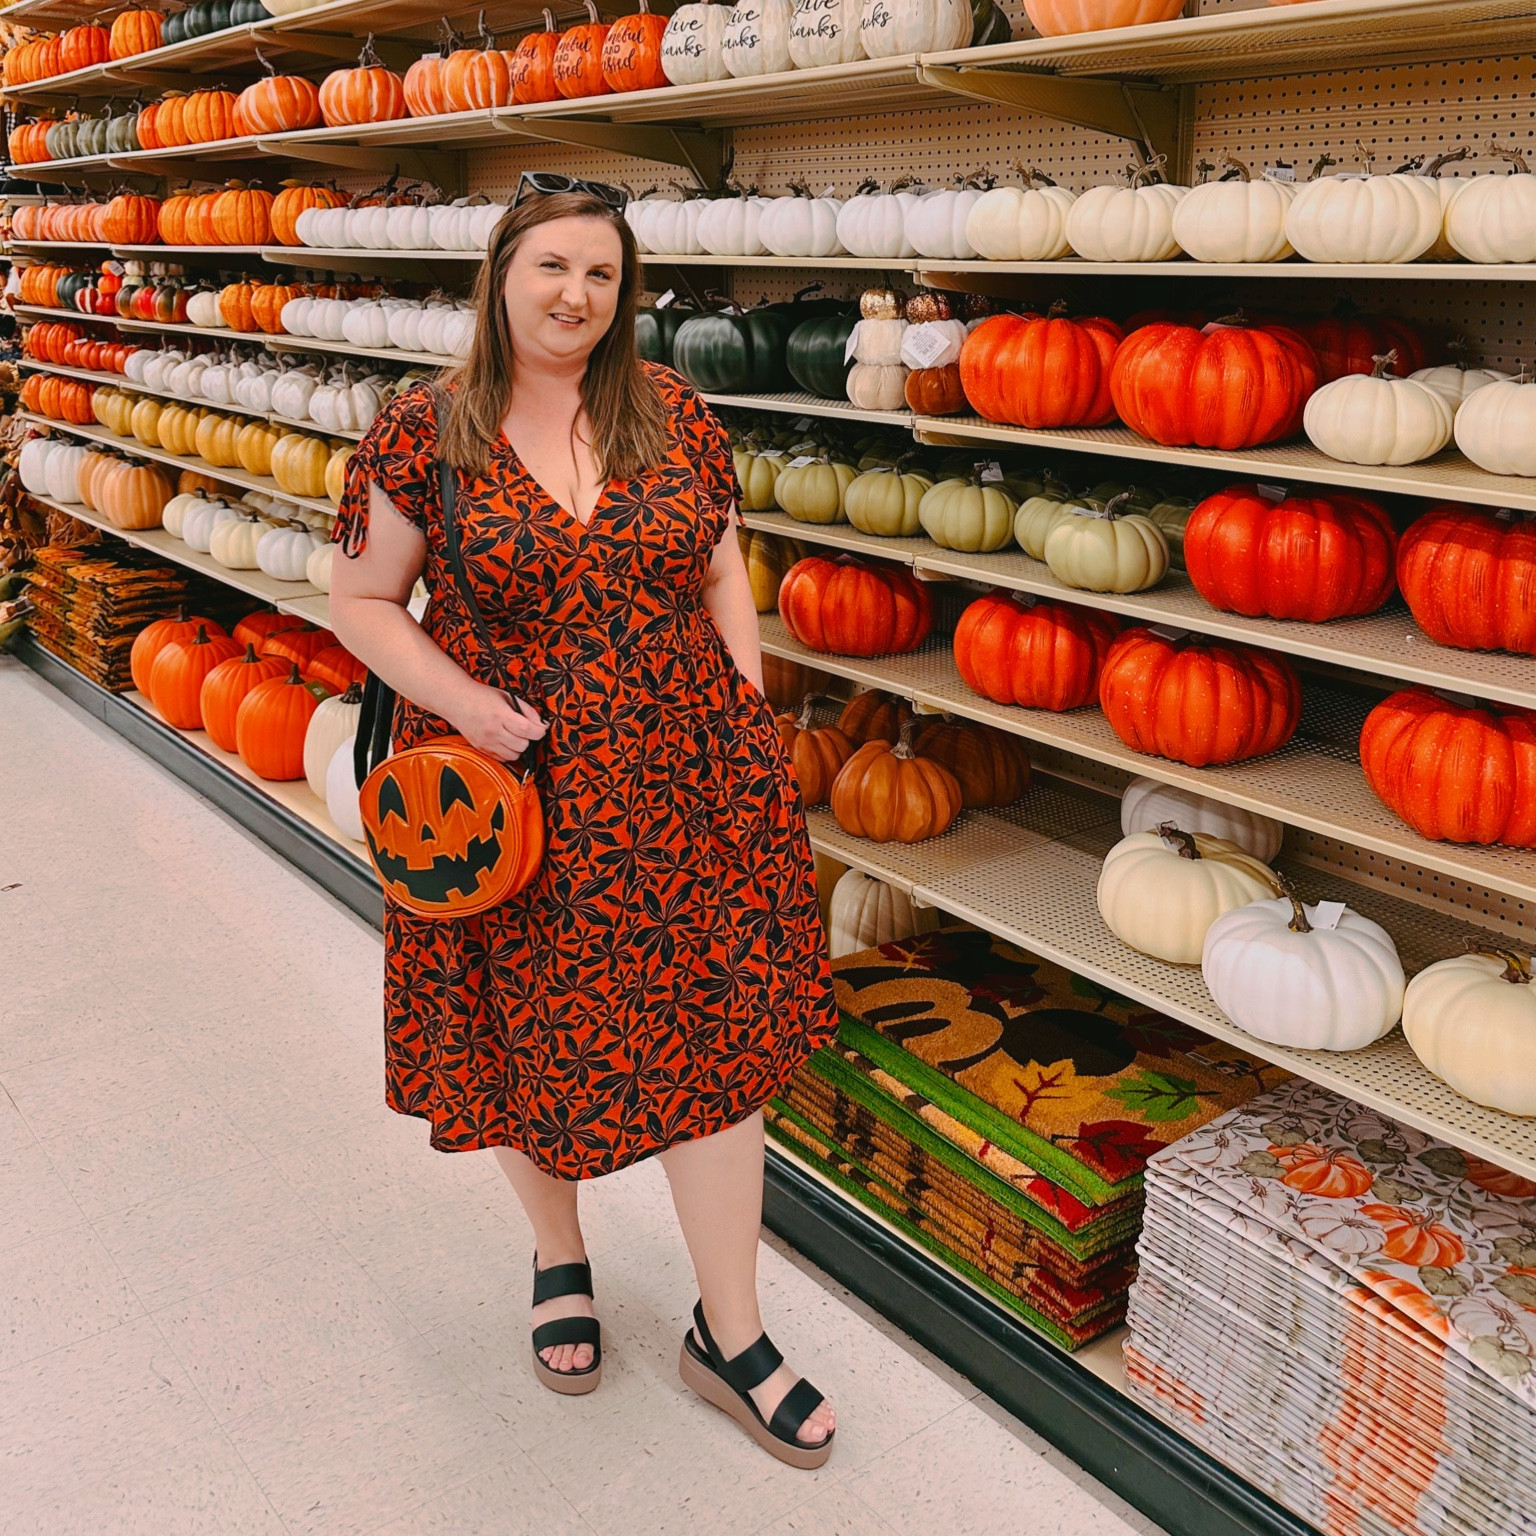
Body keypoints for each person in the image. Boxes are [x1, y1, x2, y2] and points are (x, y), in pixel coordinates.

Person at [327, 175, 840, 1469]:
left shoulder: (670, 409)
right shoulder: (421, 429)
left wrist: (744, 700)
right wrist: (464, 704)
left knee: (716, 1042)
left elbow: (724, 559)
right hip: (512, 793)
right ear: (500, 277)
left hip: (687, 774)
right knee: (525, 1028)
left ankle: (732, 1331)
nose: (577, 296)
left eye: (603, 275)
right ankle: (560, 1256)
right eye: (553, 267)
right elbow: (365, 602)